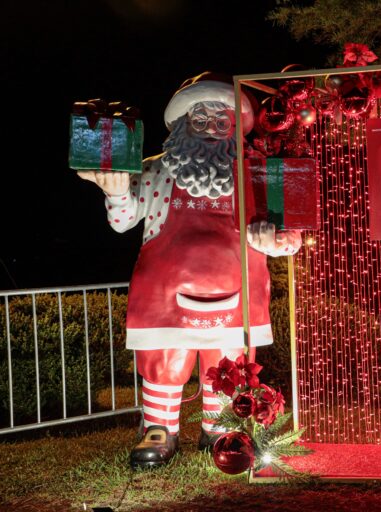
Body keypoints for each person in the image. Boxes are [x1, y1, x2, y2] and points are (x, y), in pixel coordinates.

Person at [78, 72, 301, 469]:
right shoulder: (156, 170)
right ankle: (159, 428)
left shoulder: (260, 172)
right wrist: (114, 192)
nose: (211, 130)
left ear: (237, 127)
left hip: (237, 293)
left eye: (221, 121)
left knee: (227, 363)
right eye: (200, 121)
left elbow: (290, 230)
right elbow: (123, 221)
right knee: (165, 361)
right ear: (182, 125)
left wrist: (276, 239)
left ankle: (222, 428)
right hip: (163, 295)